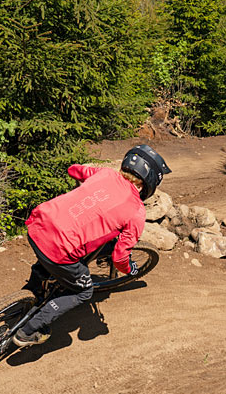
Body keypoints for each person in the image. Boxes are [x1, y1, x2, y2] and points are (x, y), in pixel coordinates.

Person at [13, 144, 172, 347]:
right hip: (61, 249)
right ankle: (27, 331)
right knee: (83, 291)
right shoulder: (136, 211)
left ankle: (30, 293)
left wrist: (89, 189)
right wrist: (129, 269)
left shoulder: (104, 174)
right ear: (149, 183)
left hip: (38, 224)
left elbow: (74, 170)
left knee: (48, 257)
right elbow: (120, 258)